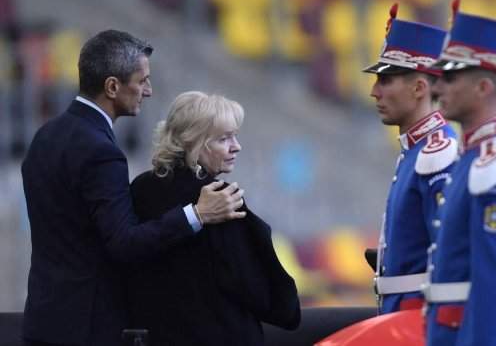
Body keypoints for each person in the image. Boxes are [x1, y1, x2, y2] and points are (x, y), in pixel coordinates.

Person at [21, 30, 244, 346]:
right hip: (88, 328)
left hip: (43, 321)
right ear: (112, 86)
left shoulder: (45, 136)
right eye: (142, 81)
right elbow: (124, 242)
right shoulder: (101, 152)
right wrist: (197, 214)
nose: (149, 91)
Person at [127, 91, 301, 345]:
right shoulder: (221, 200)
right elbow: (263, 294)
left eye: (235, 136)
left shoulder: (140, 188)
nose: (236, 146)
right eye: (224, 138)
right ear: (195, 142)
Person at [423, 4, 496, 346]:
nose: (436, 87)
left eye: (451, 77)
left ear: (484, 87)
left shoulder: (495, 166)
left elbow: (494, 285)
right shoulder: (473, 158)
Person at [362, 4, 458, 314]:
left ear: (419, 87)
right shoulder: (416, 150)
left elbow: (450, 259)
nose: (374, 92)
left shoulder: (438, 154)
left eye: (385, 81)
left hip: (418, 317)